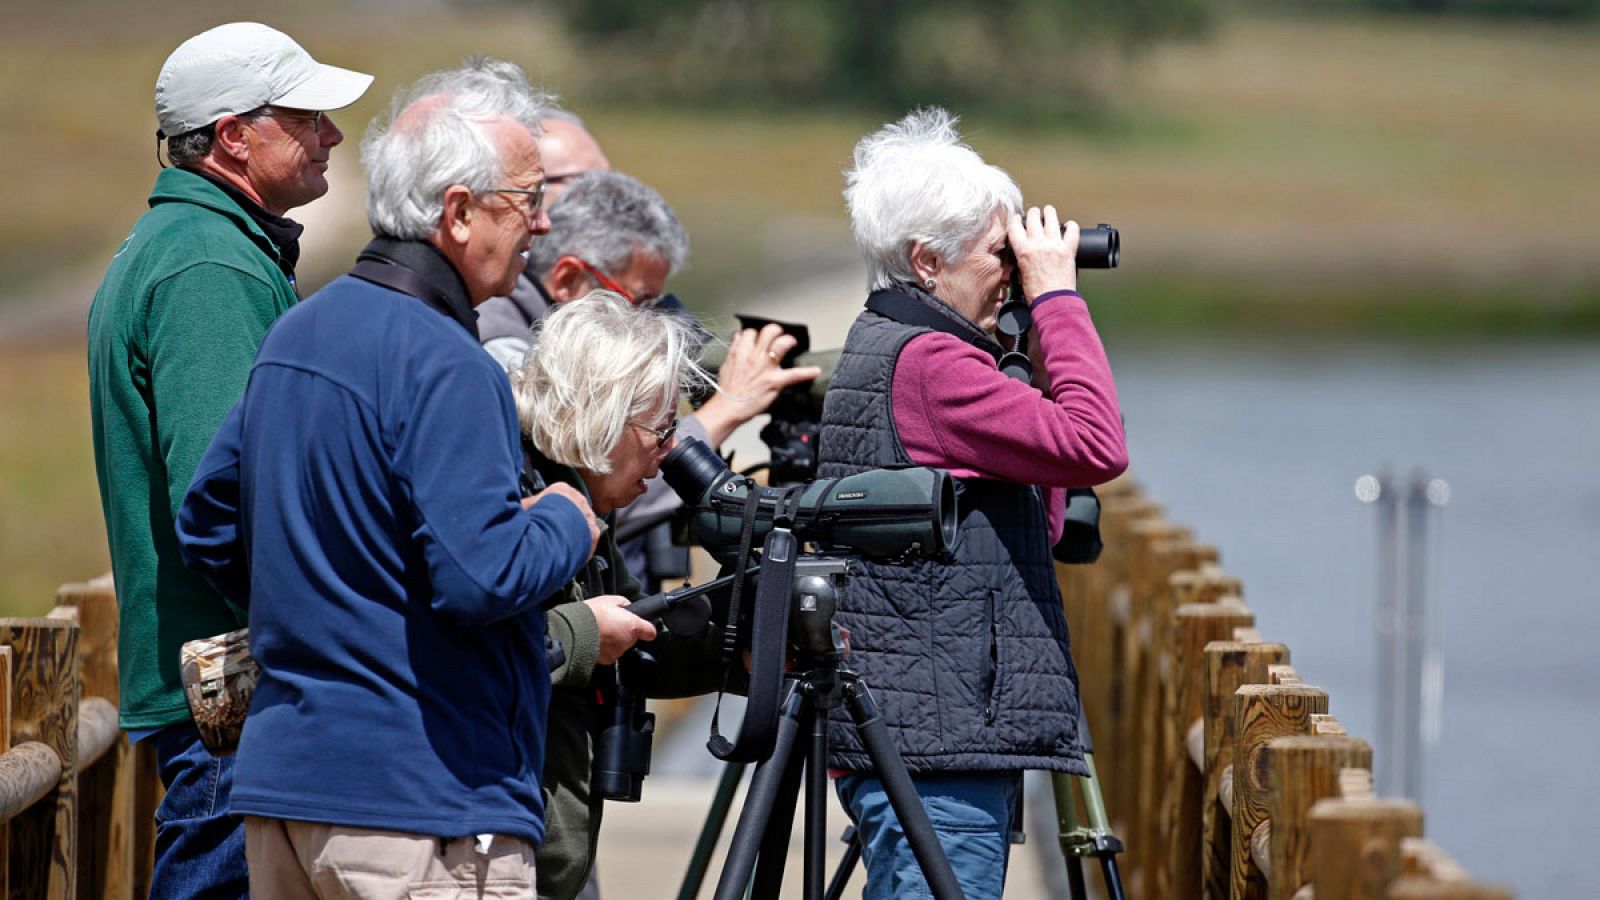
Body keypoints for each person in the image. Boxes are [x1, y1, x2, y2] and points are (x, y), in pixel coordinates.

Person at [176, 58, 602, 896]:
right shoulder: (447, 360)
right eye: (526, 200)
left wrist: (329, 612)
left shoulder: (300, 332)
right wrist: (567, 516)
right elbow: (483, 575)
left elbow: (209, 523)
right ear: (457, 213)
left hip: (286, 795)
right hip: (421, 804)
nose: (543, 225)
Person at [86, 22, 370, 897]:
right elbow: (228, 499)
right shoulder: (210, 262)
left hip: (214, 678)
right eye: (306, 115)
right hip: (233, 689)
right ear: (235, 136)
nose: (332, 133)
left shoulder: (191, 245)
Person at [817, 107, 1130, 899]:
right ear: (927, 261)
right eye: (1001, 252)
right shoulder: (933, 367)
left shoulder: (903, 346)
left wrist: (1022, 341)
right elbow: (1099, 445)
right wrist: (1058, 301)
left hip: (932, 728)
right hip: (937, 743)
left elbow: (1049, 519)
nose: (1016, 268)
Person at [476, 167, 819, 590]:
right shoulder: (500, 349)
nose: (647, 320)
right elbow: (599, 480)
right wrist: (726, 409)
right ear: (566, 278)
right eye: (637, 302)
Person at [511, 292, 726, 900]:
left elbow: (637, 635)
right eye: (661, 432)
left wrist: (742, 651)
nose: (666, 459)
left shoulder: (581, 506)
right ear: (601, 415)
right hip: (490, 849)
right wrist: (582, 633)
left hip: (535, 854)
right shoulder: (514, 497)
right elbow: (461, 647)